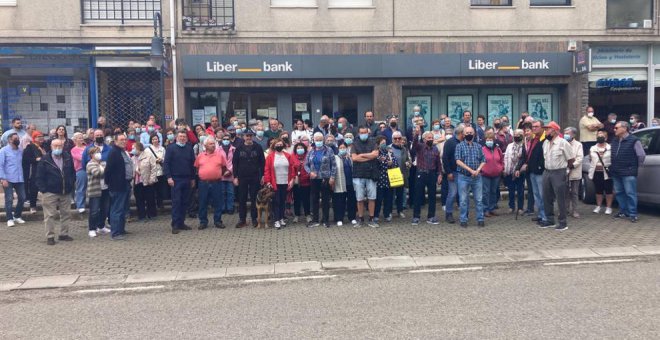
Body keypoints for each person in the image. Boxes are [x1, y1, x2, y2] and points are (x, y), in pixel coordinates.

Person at [36, 139, 76, 245]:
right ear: (51, 146)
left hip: (65, 191)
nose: (58, 148)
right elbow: (39, 176)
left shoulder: (67, 157)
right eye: (55, 146)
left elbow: (72, 172)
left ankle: (64, 234)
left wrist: (71, 184)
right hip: (50, 192)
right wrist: (43, 190)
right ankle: (50, 236)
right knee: (50, 215)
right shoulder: (45, 160)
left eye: (60, 146)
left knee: (66, 213)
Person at [540, 121, 575, 230]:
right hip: (547, 171)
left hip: (559, 171)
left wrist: (565, 170)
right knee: (546, 196)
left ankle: (562, 222)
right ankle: (549, 220)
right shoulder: (545, 143)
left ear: (554, 131)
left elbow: (571, 159)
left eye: (548, 129)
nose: (545, 131)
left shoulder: (563, 143)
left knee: (560, 197)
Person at [610, 121, 646, 223]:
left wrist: (634, 166)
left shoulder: (634, 140)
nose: (614, 130)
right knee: (619, 192)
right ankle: (623, 211)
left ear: (625, 128)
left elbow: (641, 155)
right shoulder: (615, 140)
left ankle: (633, 213)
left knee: (630, 193)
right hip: (616, 171)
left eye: (616, 128)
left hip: (628, 172)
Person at [163, 130, 196, 234]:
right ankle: (175, 224)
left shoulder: (189, 148)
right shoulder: (171, 148)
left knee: (185, 202)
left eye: (184, 137)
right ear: (176, 137)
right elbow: (166, 164)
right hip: (176, 179)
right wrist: (168, 177)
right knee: (177, 202)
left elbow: (192, 164)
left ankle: (182, 222)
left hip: (187, 179)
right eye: (180, 136)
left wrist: (192, 178)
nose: (182, 138)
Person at [233, 130, 265, 228]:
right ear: (243, 137)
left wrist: (263, 176)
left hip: (255, 177)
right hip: (242, 177)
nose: (248, 137)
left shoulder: (258, 147)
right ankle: (242, 219)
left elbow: (262, 163)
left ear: (253, 137)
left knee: (254, 198)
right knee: (242, 198)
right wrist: (235, 177)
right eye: (247, 136)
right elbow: (235, 163)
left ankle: (254, 219)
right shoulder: (238, 148)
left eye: (250, 136)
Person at [455, 126, 486, 228]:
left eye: (471, 132)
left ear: (474, 134)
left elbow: (483, 160)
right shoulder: (459, 146)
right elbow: (458, 161)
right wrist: (470, 170)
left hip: (477, 177)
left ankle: (480, 219)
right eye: (467, 133)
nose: (469, 134)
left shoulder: (478, 146)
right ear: (463, 135)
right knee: (463, 200)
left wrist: (478, 170)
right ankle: (463, 219)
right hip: (463, 176)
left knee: (479, 199)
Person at [194, 136, 227, 229]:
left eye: (214, 144)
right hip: (203, 183)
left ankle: (218, 221)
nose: (213, 145)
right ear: (205, 145)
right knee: (203, 202)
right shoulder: (200, 156)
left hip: (216, 182)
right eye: (210, 144)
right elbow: (196, 168)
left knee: (218, 202)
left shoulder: (220, 155)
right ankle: (203, 222)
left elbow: (224, 168)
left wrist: (217, 174)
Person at [104, 133, 133, 240]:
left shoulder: (122, 151)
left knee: (123, 209)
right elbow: (108, 170)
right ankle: (115, 233)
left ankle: (121, 229)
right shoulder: (114, 152)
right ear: (115, 141)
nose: (124, 141)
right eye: (121, 139)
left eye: (125, 139)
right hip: (117, 186)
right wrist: (110, 183)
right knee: (116, 209)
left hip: (126, 184)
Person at [305, 132, 336, 228]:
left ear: (323, 140)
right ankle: (315, 220)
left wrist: (332, 177)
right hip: (314, 178)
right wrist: (310, 172)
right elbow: (306, 164)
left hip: (325, 178)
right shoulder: (311, 151)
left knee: (325, 200)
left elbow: (333, 165)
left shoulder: (329, 150)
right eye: (317, 140)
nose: (318, 141)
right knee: (314, 199)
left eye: (320, 139)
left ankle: (326, 220)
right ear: (313, 140)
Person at [263, 138, 295, 229]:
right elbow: (267, 170)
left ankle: (281, 218)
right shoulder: (270, 156)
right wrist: (268, 182)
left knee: (283, 201)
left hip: (285, 182)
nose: (279, 146)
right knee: (276, 202)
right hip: (275, 183)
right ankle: (276, 220)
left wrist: (292, 180)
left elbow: (292, 169)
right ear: (274, 146)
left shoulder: (288, 156)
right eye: (277, 145)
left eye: (281, 144)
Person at [351, 126, 379, 228]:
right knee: (359, 198)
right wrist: (369, 156)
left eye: (365, 132)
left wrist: (361, 156)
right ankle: (361, 219)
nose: (363, 134)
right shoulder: (354, 144)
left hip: (371, 174)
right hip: (358, 174)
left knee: (372, 198)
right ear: (358, 133)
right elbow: (354, 158)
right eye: (361, 132)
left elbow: (375, 155)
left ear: (368, 133)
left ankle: (371, 219)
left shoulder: (373, 142)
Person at [0, 133, 26, 227]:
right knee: (9, 199)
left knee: (22, 197)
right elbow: (1, 165)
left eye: (18, 138)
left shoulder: (20, 150)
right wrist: (2, 178)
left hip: (19, 178)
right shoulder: (3, 151)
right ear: (10, 140)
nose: (18, 140)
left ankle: (17, 216)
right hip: (8, 179)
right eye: (15, 138)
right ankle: (9, 218)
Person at [86, 147, 112, 238]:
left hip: (105, 189)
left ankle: (101, 226)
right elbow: (97, 173)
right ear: (91, 155)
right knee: (94, 211)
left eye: (99, 152)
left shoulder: (103, 163)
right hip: (95, 190)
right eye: (96, 152)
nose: (98, 154)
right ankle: (92, 229)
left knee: (104, 209)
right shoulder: (90, 164)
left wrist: (104, 169)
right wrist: (105, 169)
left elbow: (109, 173)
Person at [524, 120, 546, 224]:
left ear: (542, 127)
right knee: (536, 195)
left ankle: (546, 216)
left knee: (542, 195)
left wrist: (541, 167)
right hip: (532, 171)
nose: (534, 128)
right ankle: (540, 215)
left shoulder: (545, 139)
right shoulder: (533, 139)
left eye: (536, 126)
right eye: (533, 127)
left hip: (540, 172)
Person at [373, 136, 399, 223]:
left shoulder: (389, 152)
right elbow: (374, 164)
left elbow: (396, 162)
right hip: (379, 180)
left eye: (385, 142)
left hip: (389, 179)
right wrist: (380, 161)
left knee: (388, 199)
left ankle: (387, 214)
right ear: (378, 144)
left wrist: (392, 163)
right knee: (379, 199)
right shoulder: (376, 153)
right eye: (382, 143)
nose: (384, 144)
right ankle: (376, 215)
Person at [589, 129, 614, 215]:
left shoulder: (610, 148)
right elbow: (590, 159)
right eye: (598, 136)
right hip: (596, 172)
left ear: (606, 138)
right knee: (598, 190)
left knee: (608, 190)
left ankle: (608, 207)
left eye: (602, 136)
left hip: (607, 172)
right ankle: (598, 206)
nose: (600, 137)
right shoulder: (592, 148)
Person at [442, 125, 464, 224]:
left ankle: (464, 213)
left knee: (463, 194)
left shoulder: (465, 142)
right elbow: (445, 158)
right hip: (453, 172)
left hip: (463, 172)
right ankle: (449, 213)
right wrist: (448, 172)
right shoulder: (450, 142)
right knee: (452, 193)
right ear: (460, 133)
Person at [132, 142, 158, 221]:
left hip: (147, 180)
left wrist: (152, 179)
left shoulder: (148, 156)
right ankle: (141, 215)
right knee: (139, 199)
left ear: (139, 148)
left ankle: (152, 214)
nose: (132, 150)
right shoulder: (132, 158)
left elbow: (154, 168)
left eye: (134, 148)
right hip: (137, 182)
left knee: (150, 198)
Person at [332, 141, 356, 226]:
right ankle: (339, 218)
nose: (342, 149)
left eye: (344, 148)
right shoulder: (335, 158)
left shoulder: (350, 157)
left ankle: (352, 217)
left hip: (350, 182)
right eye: (340, 148)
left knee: (352, 201)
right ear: (338, 149)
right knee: (340, 201)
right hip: (340, 183)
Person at [481, 131, 504, 217]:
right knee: (486, 192)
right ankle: (485, 209)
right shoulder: (482, 149)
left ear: (494, 140)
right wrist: (482, 170)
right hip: (485, 175)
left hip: (496, 175)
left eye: (491, 139)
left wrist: (501, 168)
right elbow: (479, 161)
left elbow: (501, 160)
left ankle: (492, 208)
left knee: (494, 191)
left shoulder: (498, 149)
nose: (489, 141)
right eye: (488, 139)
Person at [503, 129, 526, 215]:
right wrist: (505, 169)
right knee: (511, 190)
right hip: (510, 171)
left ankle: (520, 208)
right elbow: (506, 157)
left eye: (519, 134)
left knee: (520, 190)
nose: (516, 136)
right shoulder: (509, 145)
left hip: (520, 172)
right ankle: (511, 206)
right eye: (515, 134)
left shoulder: (524, 146)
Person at [564, 127, 584, 219]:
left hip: (574, 171)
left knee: (574, 192)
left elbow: (580, 158)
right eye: (565, 133)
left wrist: (572, 165)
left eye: (568, 133)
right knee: (565, 192)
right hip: (563, 171)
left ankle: (575, 210)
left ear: (573, 134)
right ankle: (566, 209)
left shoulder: (578, 145)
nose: (566, 135)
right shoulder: (562, 143)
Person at [23, 131, 45, 214]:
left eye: (42, 136)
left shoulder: (44, 146)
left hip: (45, 171)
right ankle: (32, 206)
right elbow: (25, 159)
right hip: (34, 171)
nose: (41, 138)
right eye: (38, 137)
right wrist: (36, 160)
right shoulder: (30, 147)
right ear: (34, 138)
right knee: (33, 189)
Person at [390, 131, 410, 218]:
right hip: (391, 174)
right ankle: (389, 212)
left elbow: (408, 159)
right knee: (391, 195)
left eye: (399, 138)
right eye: (395, 138)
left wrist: (408, 163)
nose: (397, 140)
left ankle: (400, 211)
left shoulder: (404, 149)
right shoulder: (388, 149)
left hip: (401, 174)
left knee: (400, 194)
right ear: (392, 139)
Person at [292, 142, 312, 224]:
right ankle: (296, 215)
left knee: (306, 199)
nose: (300, 149)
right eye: (298, 148)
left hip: (306, 182)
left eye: (301, 148)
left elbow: (311, 167)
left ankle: (307, 215)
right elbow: (291, 168)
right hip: (296, 182)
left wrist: (307, 175)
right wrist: (294, 177)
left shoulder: (309, 156)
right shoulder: (292, 157)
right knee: (296, 199)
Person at [218, 134, 236, 215]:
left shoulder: (234, 149)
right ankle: (222, 208)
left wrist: (229, 170)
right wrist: (223, 171)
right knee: (221, 192)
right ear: (221, 140)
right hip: (221, 174)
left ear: (230, 139)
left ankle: (230, 208)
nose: (226, 140)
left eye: (227, 139)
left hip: (230, 174)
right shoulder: (217, 149)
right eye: (224, 139)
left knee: (230, 192)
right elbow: (217, 162)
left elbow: (235, 161)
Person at [71, 132, 87, 213]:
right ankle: (80, 205)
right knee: (81, 188)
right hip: (80, 170)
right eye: (79, 138)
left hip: (90, 169)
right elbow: (80, 158)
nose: (81, 139)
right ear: (75, 140)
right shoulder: (74, 150)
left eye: (82, 137)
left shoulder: (87, 147)